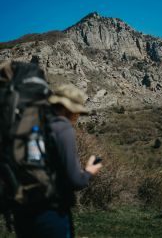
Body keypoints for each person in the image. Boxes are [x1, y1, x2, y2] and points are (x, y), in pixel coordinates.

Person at [14, 84, 102, 238]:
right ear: (69, 109)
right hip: (51, 213)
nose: (77, 116)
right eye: (77, 112)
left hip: (23, 213)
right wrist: (89, 171)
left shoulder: (32, 125)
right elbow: (76, 180)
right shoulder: (63, 128)